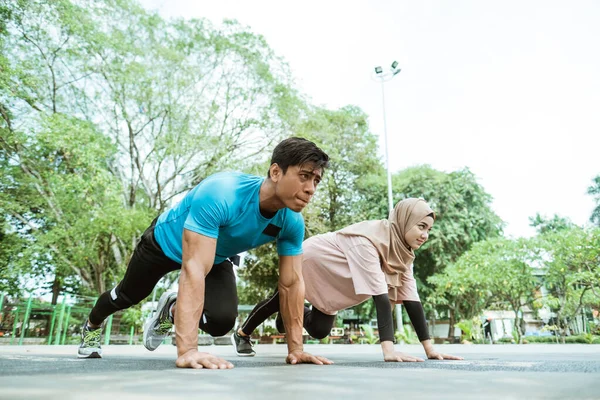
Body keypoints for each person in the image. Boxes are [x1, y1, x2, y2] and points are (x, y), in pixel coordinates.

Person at [78, 137, 333, 369]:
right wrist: (188, 350)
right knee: (127, 295)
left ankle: (173, 310)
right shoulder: (223, 193)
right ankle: (92, 325)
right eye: (304, 176)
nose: (311, 188)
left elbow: (291, 284)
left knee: (221, 322)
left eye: (316, 180)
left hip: (215, 255)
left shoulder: (291, 222)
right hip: (164, 243)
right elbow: (194, 268)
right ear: (276, 172)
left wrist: (296, 349)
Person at [232, 198, 463, 362]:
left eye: (429, 230)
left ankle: (292, 311)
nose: (425, 235)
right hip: (312, 261)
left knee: (320, 330)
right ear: (404, 221)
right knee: (278, 299)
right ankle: (243, 334)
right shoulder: (369, 241)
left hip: (335, 280)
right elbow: (380, 298)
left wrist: (429, 349)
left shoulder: (403, 254)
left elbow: (412, 299)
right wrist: (389, 351)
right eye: (421, 227)